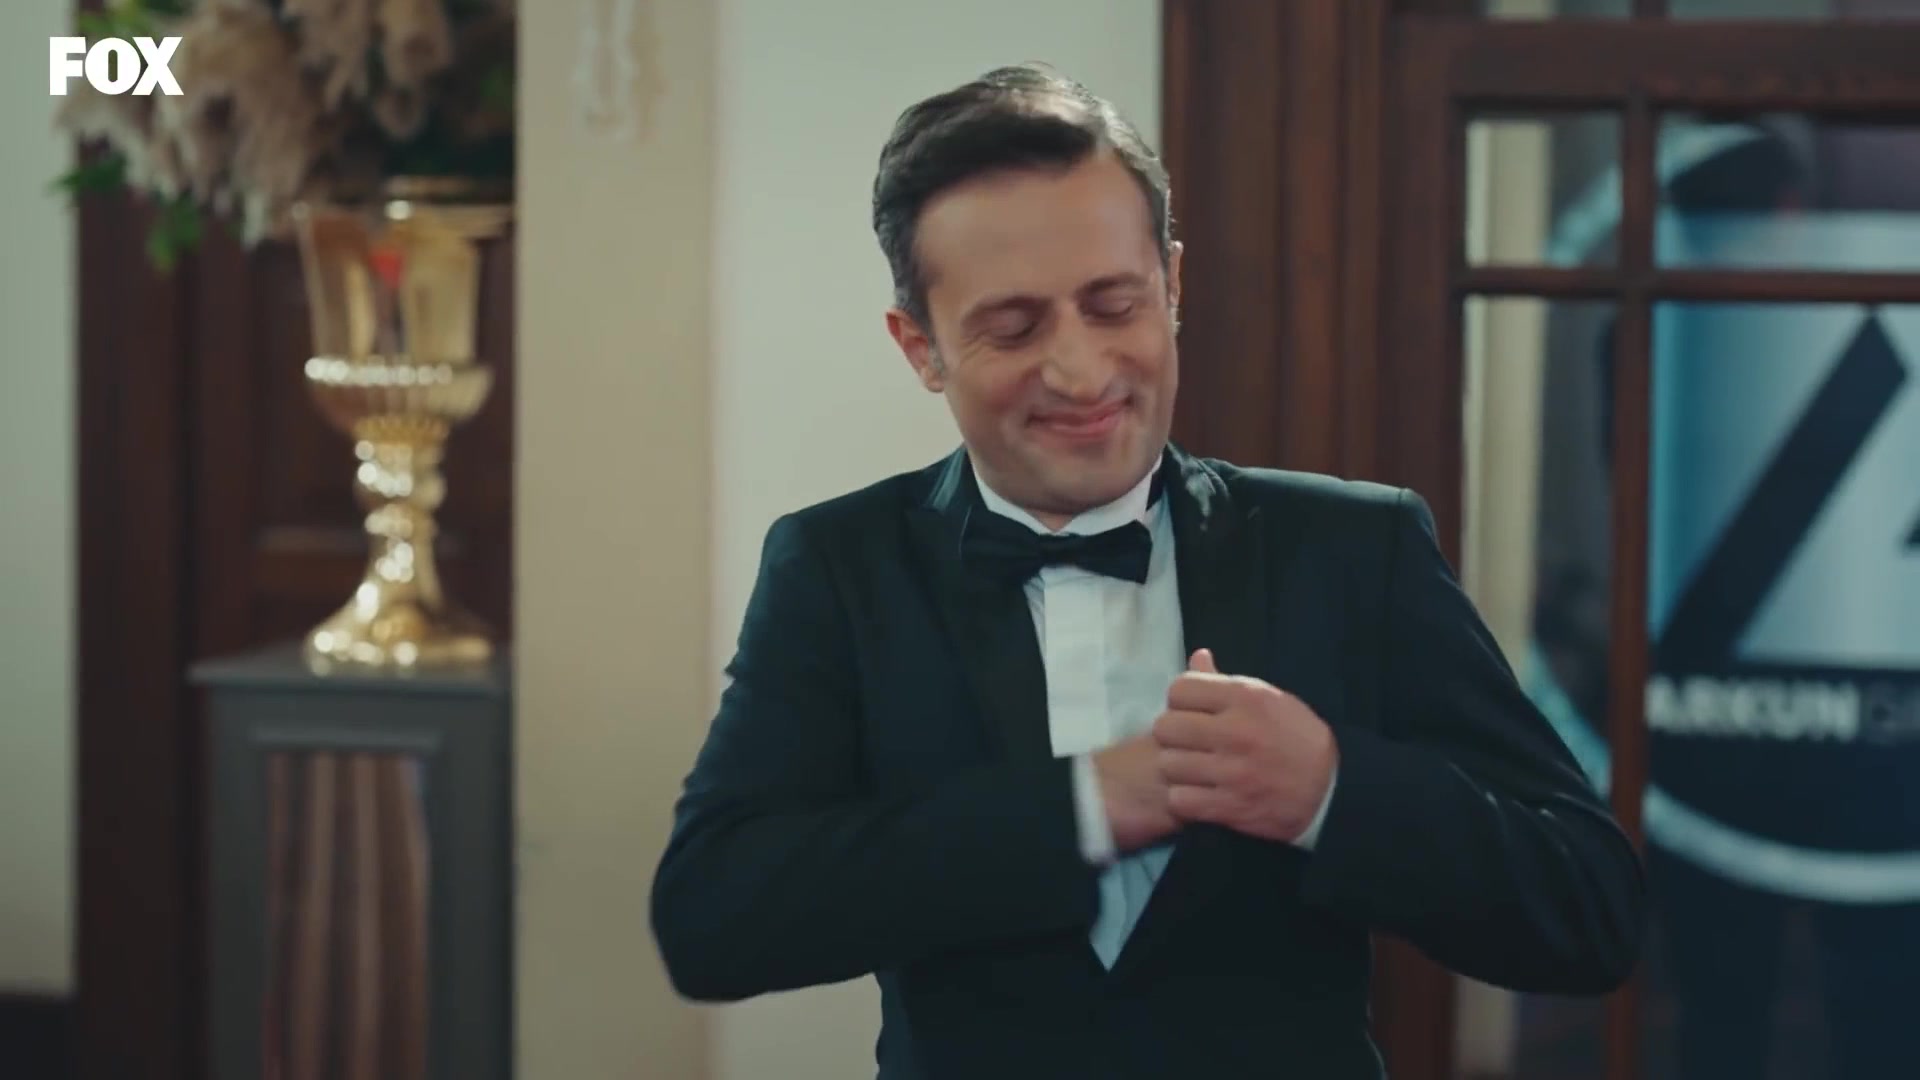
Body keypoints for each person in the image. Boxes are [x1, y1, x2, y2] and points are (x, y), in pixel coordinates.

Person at [650, 63, 1645, 1080]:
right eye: (1014, 327)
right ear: (922, 348)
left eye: (1114, 304)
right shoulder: (837, 566)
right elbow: (712, 918)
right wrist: (1082, 809)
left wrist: (1330, 790)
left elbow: (1590, 911)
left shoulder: (1355, 549)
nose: (1082, 372)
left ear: (1172, 285)